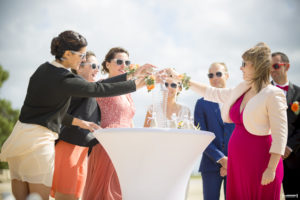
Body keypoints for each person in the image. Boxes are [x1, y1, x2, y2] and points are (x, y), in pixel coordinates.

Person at [0, 31, 154, 200]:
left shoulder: (43, 69)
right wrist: (135, 83)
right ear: (67, 54)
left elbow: (51, 113)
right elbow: (99, 89)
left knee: (21, 196)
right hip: (40, 142)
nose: (83, 59)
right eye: (81, 55)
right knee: (38, 197)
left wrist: (81, 123)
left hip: (20, 137)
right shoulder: (64, 79)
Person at [170, 42, 288, 199]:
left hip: (261, 163)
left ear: (257, 67)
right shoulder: (242, 88)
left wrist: (271, 168)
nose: (241, 68)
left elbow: (280, 135)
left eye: (244, 64)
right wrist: (180, 78)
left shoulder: (273, 94)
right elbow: (210, 92)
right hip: (239, 165)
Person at [82, 47, 139, 200]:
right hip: (109, 145)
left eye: (127, 62)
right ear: (107, 64)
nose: (124, 65)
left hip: (126, 147)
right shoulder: (102, 85)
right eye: (119, 61)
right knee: (108, 193)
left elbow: (129, 119)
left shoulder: (128, 91)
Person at [194, 62, 234, 200]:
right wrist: (222, 159)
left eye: (218, 73)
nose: (215, 77)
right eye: (211, 75)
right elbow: (201, 136)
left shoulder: (238, 100)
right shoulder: (201, 103)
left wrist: (230, 162)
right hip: (210, 164)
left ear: (227, 75)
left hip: (236, 164)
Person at [270, 52, 300, 198]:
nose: (272, 70)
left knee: (292, 196)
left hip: (293, 157)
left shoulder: (299, 93)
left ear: (287, 67)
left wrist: (289, 146)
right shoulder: (262, 92)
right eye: (269, 67)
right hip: (268, 155)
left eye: (276, 66)